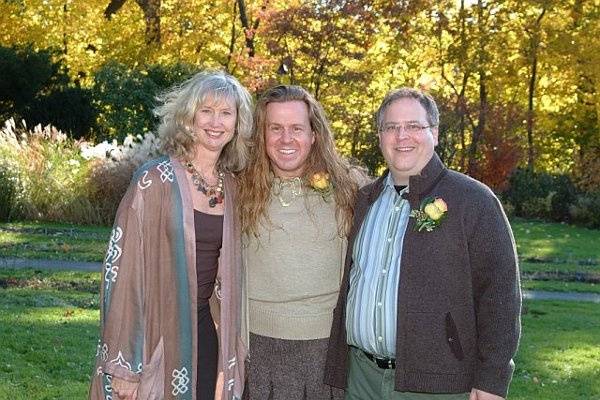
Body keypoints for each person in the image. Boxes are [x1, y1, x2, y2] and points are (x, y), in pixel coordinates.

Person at [325, 88, 521, 400]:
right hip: (362, 378)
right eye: (391, 127)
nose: (402, 136)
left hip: (437, 385)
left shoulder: (473, 201)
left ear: (435, 133)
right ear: (380, 137)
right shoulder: (365, 199)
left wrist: (492, 380)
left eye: (414, 126)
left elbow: (499, 295)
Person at [89, 70, 253, 400]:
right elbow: (122, 275)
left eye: (226, 113)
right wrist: (125, 366)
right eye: (206, 111)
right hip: (153, 338)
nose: (215, 122)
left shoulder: (234, 187)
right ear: (188, 117)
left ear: (238, 123)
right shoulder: (153, 182)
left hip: (206, 335)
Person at [238, 85, 361, 400]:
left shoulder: (350, 191)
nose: (285, 139)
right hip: (256, 348)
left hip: (328, 351)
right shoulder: (237, 191)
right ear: (261, 137)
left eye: (296, 128)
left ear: (314, 135)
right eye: (275, 129)